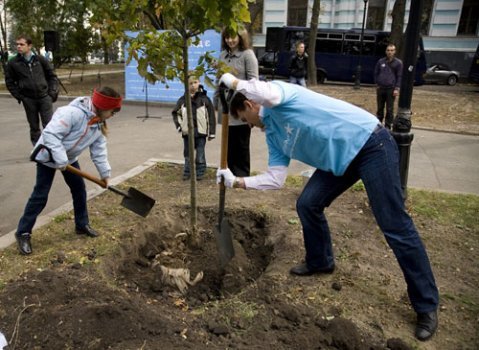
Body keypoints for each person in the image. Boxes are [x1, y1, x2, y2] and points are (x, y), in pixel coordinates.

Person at [216, 73, 439, 342]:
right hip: (341, 163)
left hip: (370, 144)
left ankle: (426, 305)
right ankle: (320, 261)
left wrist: (235, 83)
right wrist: (237, 182)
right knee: (308, 204)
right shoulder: (273, 136)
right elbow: (275, 179)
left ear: (250, 104)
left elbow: (269, 94)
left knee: (394, 224)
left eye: (244, 119)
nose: (249, 126)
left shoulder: (281, 96)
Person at [15, 86, 123, 256]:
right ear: (102, 107)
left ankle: (81, 224)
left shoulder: (98, 124)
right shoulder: (71, 113)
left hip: (68, 159)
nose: (113, 115)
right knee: (40, 196)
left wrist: (105, 175)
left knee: (79, 190)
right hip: (48, 155)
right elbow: (50, 134)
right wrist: (60, 159)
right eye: (112, 111)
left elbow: (99, 152)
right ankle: (23, 233)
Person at [218, 27, 259, 177]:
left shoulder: (248, 55)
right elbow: (219, 79)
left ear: (241, 37)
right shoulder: (223, 55)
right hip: (226, 106)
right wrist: (218, 100)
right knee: (228, 142)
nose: (230, 40)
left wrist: (252, 109)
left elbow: (254, 82)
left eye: (233, 37)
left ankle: (242, 174)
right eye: (227, 37)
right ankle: (228, 172)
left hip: (242, 107)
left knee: (241, 143)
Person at [4, 35, 59, 145]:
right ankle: (38, 150)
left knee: (49, 125)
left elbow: (52, 76)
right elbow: (10, 82)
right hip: (28, 99)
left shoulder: (40, 59)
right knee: (34, 127)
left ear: (29, 46)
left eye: (22, 44)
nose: (18, 47)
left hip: (44, 97)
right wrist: (20, 96)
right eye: (17, 44)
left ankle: (52, 147)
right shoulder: (13, 63)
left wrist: (52, 93)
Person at [172, 76, 216, 180]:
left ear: (199, 82)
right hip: (187, 133)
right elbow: (176, 113)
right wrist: (180, 126)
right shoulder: (182, 100)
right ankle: (187, 172)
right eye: (190, 83)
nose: (193, 85)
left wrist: (211, 133)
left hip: (201, 133)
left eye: (195, 82)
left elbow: (211, 117)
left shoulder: (205, 99)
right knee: (188, 153)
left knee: (200, 153)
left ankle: (200, 171)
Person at [374, 44, 402, 130]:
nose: (390, 52)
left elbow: (399, 76)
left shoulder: (398, 63)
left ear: (395, 52)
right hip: (381, 88)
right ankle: (378, 124)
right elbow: (376, 72)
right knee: (380, 108)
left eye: (392, 50)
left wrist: (397, 88)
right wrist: (377, 83)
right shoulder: (381, 61)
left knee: (390, 109)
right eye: (388, 50)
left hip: (391, 89)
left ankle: (388, 125)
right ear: (386, 51)